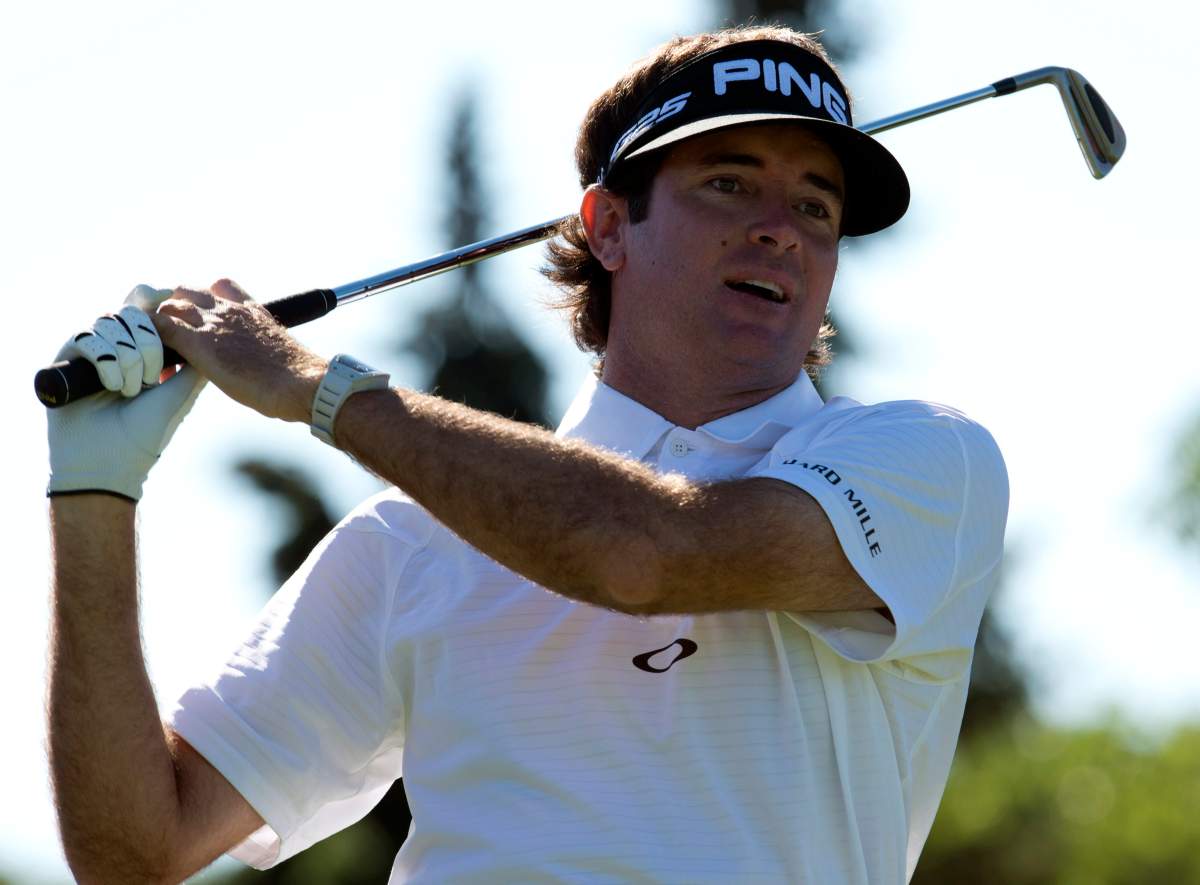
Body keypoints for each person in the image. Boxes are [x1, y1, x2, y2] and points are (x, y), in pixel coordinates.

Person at [45, 25, 1008, 885]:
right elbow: (136, 852)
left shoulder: (924, 460)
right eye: (729, 181)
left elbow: (643, 555)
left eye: (816, 205)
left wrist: (317, 388)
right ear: (609, 225)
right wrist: (94, 494)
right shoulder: (410, 543)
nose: (778, 228)